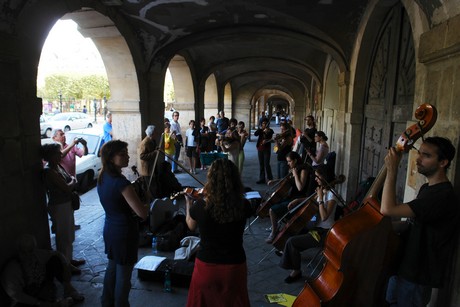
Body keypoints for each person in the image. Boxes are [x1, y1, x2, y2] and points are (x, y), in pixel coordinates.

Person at [381, 137, 459, 307]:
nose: (418, 159)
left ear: (443, 162)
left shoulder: (442, 196)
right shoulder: (426, 188)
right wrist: (377, 230)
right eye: (419, 153)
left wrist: (392, 171)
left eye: (426, 155)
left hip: (417, 274)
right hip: (403, 266)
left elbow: (388, 209)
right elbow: (413, 223)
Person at [185, 159, 251, 307]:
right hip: (235, 265)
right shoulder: (244, 205)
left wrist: (189, 204)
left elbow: (190, 225)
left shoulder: (201, 206)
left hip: (207, 266)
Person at [97, 140, 149, 307]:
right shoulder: (122, 183)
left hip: (110, 228)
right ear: (111, 158)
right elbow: (142, 213)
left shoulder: (103, 176)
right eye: (122, 154)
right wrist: (147, 202)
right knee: (124, 277)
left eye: (126, 153)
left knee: (112, 269)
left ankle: (106, 302)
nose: (127, 156)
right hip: (124, 232)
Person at [278, 164, 337, 283]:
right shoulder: (322, 190)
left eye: (317, 177)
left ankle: (296, 271)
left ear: (324, 177)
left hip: (324, 232)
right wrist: (297, 200)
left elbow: (325, 217)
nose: (315, 179)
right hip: (315, 227)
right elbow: (311, 200)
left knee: (291, 242)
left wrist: (320, 198)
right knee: (292, 232)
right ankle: (289, 255)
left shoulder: (332, 195)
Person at [0, 234, 84, 306]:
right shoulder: (12, 270)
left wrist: (66, 271)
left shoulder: (37, 255)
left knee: (55, 260)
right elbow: (16, 295)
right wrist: (39, 303)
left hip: (41, 288)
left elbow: (58, 254)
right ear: (18, 251)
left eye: (30, 251)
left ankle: (69, 290)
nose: (28, 255)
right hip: (26, 300)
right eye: (23, 252)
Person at [41, 143, 81, 274]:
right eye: (57, 153)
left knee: (69, 234)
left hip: (65, 204)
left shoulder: (57, 166)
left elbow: (68, 180)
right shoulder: (49, 171)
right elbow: (67, 186)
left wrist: (71, 181)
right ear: (50, 155)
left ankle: (69, 260)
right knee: (63, 237)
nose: (60, 154)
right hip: (59, 206)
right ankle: (65, 265)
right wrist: (73, 181)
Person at [265, 151, 310, 243]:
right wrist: (274, 181)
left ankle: (274, 231)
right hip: (291, 196)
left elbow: (300, 187)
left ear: (295, 160)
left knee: (272, 210)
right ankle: (279, 226)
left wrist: (295, 175)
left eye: (289, 161)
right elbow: (286, 180)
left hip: (299, 198)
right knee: (273, 204)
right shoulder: (294, 169)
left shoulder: (303, 170)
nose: (288, 163)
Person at [52, 128, 88, 231]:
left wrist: (84, 145)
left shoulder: (70, 147)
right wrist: (73, 144)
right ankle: (58, 225)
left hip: (71, 181)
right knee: (61, 205)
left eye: (64, 134)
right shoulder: (54, 149)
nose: (64, 136)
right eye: (61, 134)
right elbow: (61, 155)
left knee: (71, 203)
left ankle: (70, 224)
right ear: (54, 138)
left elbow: (84, 153)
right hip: (61, 182)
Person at [305, 131, 329, 195]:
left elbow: (317, 160)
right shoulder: (324, 145)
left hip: (317, 167)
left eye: (316, 136)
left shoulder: (322, 147)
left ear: (320, 137)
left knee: (311, 186)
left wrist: (309, 154)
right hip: (318, 166)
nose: (314, 138)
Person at [138, 125, 158, 198]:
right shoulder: (145, 143)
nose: (157, 134)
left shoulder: (152, 141)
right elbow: (142, 156)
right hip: (147, 169)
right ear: (152, 133)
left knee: (154, 186)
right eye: (156, 133)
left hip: (152, 167)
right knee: (151, 187)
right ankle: (152, 202)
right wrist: (154, 153)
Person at [254, 118, 274, 184]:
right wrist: (261, 130)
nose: (264, 124)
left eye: (265, 123)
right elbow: (255, 134)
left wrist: (266, 132)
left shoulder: (270, 130)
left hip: (266, 149)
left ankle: (270, 178)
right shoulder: (260, 130)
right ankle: (262, 179)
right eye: (263, 123)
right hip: (260, 148)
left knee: (266, 164)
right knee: (261, 164)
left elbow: (270, 135)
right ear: (261, 124)